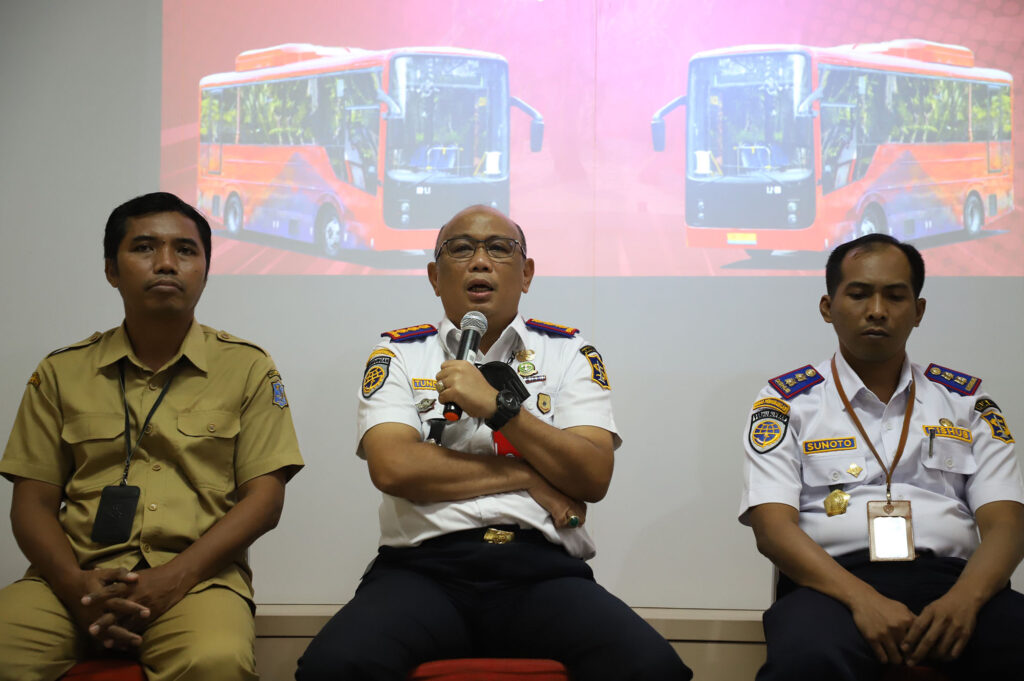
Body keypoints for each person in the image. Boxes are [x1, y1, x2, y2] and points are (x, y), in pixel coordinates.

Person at [296, 205, 689, 681]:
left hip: (539, 571)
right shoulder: (398, 354)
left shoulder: (569, 353)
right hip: (421, 571)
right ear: (434, 277)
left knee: (653, 669)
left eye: (499, 249)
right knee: (332, 668)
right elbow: (394, 468)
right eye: (461, 249)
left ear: (526, 274)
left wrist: (499, 409)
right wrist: (526, 475)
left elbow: (591, 474)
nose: (480, 261)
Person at [0, 192, 304, 681]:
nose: (166, 263)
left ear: (205, 269)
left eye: (185, 250)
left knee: (216, 662)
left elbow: (264, 501)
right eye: (144, 248)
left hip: (197, 582)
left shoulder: (248, 367)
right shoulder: (60, 372)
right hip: (72, 578)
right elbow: (31, 505)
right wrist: (75, 586)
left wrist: (171, 578)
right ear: (111, 270)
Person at [739, 233, 1024, 680]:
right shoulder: (786, 401)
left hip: (955, 583)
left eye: (895, 296)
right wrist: (862, 600)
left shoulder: (967, 402)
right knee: (806, 659)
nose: (877, 309)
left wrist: (965, 599)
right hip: (831, 587)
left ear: (919, 311)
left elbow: (1007, 524)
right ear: (828, 308)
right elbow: (772, 528)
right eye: (858, 294)